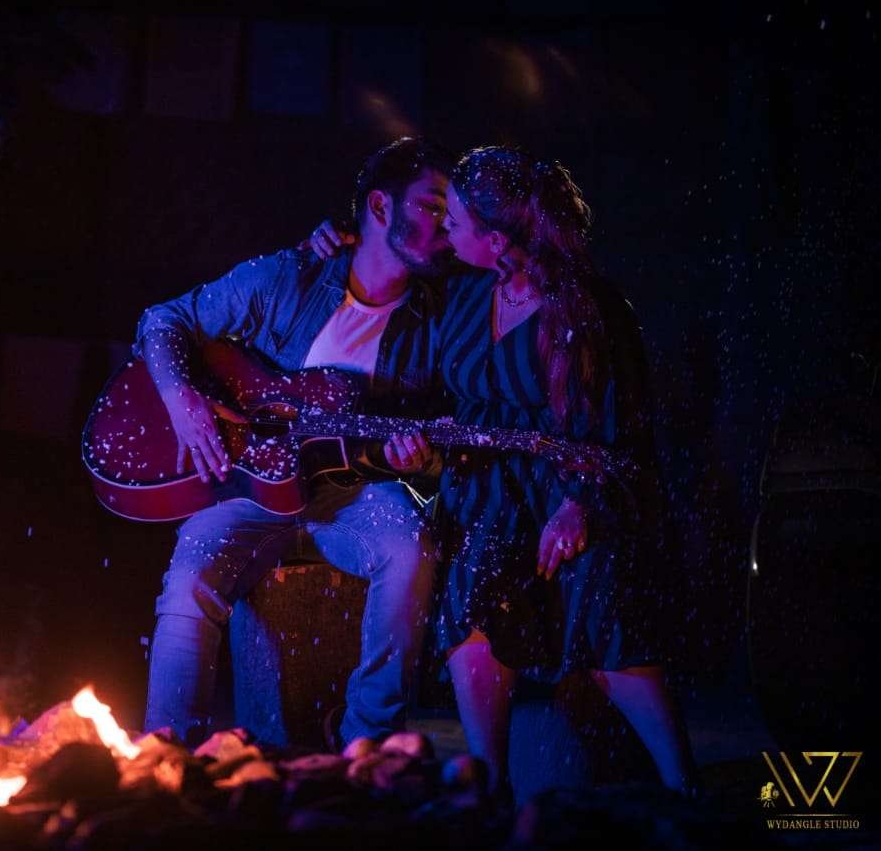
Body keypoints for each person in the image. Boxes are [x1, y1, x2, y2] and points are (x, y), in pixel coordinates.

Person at [310, 145, 699, 801]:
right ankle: (487, 784)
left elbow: (615, 430)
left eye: (456, 220)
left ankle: (683, 784)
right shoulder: (463, 293)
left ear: (495, 240)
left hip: (573, 487)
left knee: (594, 588)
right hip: (484, 486)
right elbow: (392, 276)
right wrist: (332, 243)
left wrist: (577, 506)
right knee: (471, 587)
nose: (444, 228)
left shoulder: (585, 308)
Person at [136, 137, 461, 747]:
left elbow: (440, 445)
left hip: (354, 494)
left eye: (453, 212)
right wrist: (184, 402)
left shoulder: (441, 319)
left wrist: (416, 463)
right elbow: (162, 320)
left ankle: (366, 744)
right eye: (432, 205)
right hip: (252, 492)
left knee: (411, 544)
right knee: (190, 570)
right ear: (381, 208)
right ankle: (166, 752)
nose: (446, 224)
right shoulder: (290, 276)